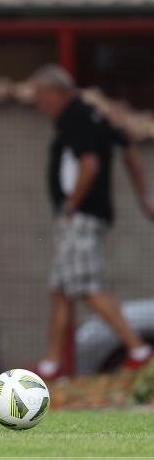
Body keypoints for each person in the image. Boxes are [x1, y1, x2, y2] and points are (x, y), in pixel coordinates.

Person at [31, 64, 153, 380]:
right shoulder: (97, 116)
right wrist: (143, 195)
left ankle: (138, 351)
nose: (38, 104)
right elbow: (129, 150)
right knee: (61, 288)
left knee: (86, 286)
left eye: (40, 96)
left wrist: (71, 206)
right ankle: (51, 365)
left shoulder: (76, 117)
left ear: (55, 92)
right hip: (88, 215)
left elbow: (90, 164)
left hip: (81, 216)